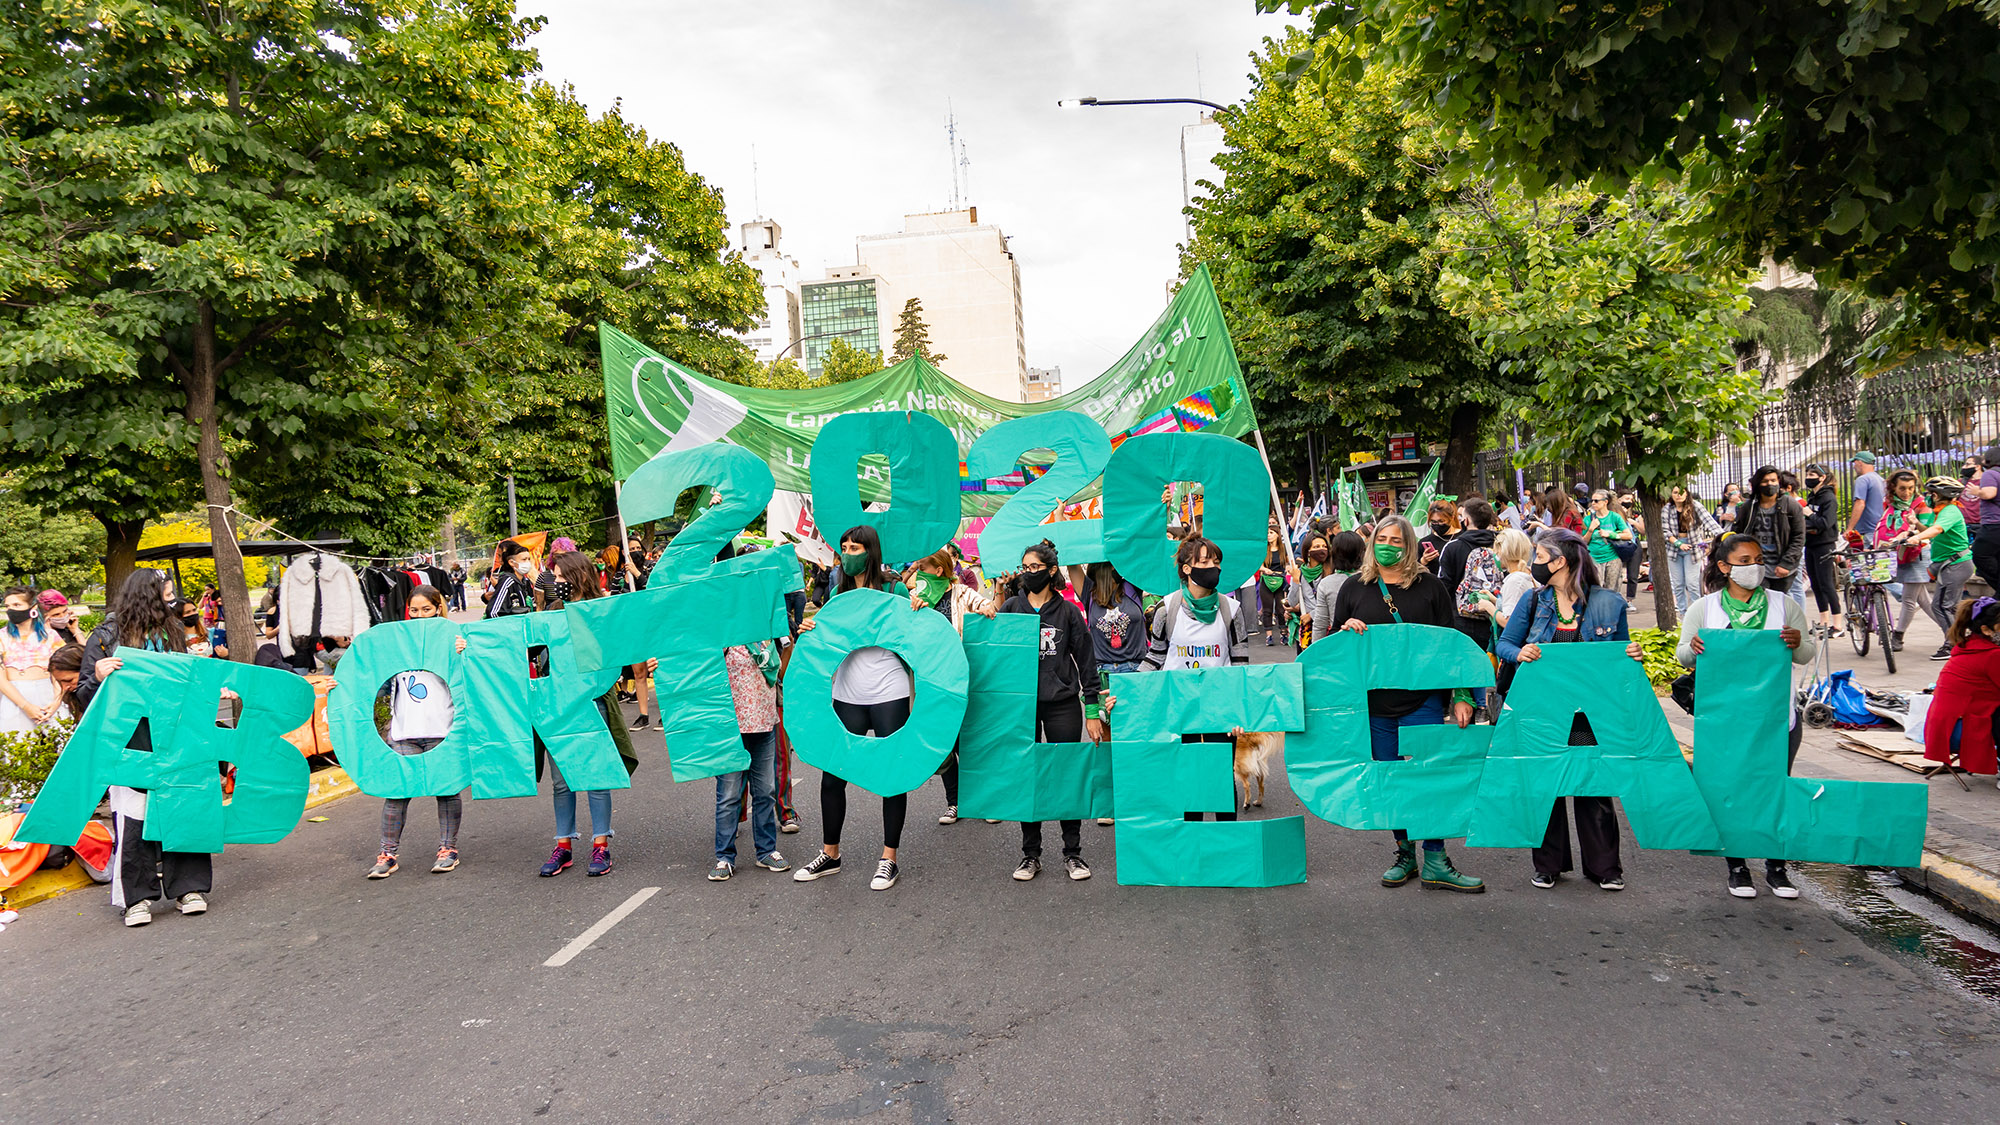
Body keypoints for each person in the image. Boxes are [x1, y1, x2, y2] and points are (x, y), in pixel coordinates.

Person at [1329, 515, 1484, 892]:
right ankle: (1405, 854)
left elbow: (1453, 645)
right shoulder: (1353, 588)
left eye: (1397, 541)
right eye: (1381, 539)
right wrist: (1345, 632)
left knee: (1427, 781)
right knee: (1392, 782)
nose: (1388, 546)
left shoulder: (1430, 588)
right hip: (1376, 707)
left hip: (1423, 702)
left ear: (1409, 546)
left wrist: (1463, 696)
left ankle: (1436, 858)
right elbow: (1333, 649)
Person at [1495, 529, 1645, 890]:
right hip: (1542, 711)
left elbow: (1620, 656)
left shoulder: (1608, 603)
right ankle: (1548, 865)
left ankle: (1605, 868)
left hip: (1588, 714)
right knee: (1545, 784)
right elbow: (1505, 644)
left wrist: (1632, 656)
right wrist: (1520, 654)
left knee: (1593, 784)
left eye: (1540, 557)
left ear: (1560, 561)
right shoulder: (1533, 602)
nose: (1535, 564)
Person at [1675, 532, 1817, 900]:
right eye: (1743, 561)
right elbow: (1683, 657)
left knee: (1775, 790)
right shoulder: (1704, 609)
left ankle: (1776, 866)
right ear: (1724, 567)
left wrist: (1797, 642)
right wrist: (1694, 647)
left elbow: (1806, 655)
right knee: (1729, 790)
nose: (1753, 567)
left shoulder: (1783, 605)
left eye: (1757, 559)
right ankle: (1737, 866)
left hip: (1776, 721)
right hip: (1725, 722)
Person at [74, 570, 209, 927]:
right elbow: (84, 694)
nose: (171, 602)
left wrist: (212, 693)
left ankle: (188, 889)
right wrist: (100, 675)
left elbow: (190, 680)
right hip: (130, 739)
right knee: (134, 817)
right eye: (165, 595)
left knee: (181, 809)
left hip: (175, 734)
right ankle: (137, 898)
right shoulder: (106, 636)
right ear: (146, 597)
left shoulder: (173, 631)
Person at [793, 526, 915, 892]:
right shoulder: (837, 593)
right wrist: (810, 628)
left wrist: (918, 610)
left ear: (870, 551)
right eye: (844, 547)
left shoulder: (895, 589)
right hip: (847, 692)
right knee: (833, 774)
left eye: (855, 547)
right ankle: (831, 853)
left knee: (891, 773)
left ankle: (888, 858)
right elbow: (828, 641)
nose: (848, 552)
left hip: (889, 689)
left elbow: (914, 636)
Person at [999, 541, 1107, 882]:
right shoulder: (1012, 608)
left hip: (1062, 703)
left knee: (1065, 775)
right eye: (1024, 567)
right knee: (1028, 776)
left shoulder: (1069, 613)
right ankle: (1030, 854)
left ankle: (1073, 853)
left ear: (1049, 570)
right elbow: (994, 655)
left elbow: (1088, 664)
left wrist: (1093, 712)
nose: (1028, 573)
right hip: (1021, 706)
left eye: (1034, 567)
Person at [536, 551, 637, 879]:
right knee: (562, 782)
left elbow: (618, 653)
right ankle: (563, 845)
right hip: (558, 707)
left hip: (592, 703)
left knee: (596, 776)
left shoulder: (601, 611)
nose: (557, 584)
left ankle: (600, 845)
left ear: (578, 577)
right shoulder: (552, 611)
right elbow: (530, 648)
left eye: (562, 578)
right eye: (555, 578)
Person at [1143, 535, 1250, 821]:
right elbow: (1155, 657)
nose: (1212, 566)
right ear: (1186, 568)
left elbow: (1239, 666)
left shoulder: (1231, 610)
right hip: (1180, 706)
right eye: (1204, 561)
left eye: (1216, 561)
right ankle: (1193, 845)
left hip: (1220, 707)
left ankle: (1225, 845)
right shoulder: (1167, 609)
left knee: (1220, 776)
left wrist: (1238, 712)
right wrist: (1128, 691)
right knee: (1188, 775)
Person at [365, 585, 468, 879]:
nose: (420, 615)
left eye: (427, 609)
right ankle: (387, 854)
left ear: (438, 608)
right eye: (414, 610)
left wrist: (464, 651)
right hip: (404, 732)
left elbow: (469, 678)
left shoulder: (452, 640)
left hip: (442, 730)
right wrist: (343, 687)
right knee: (397, 793)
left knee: (446, 790)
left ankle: (448, 849)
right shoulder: (397, 645)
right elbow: (377, 683)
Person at [906, 547, 996, 825]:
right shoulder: (917, 598)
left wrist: (987, 607)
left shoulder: (960, 593)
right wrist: (917, 608)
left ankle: (982, 802)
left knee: (969, 741)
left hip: (959, 677)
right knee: (944, 743)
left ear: (939, 571)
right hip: (931, 681)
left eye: (923, 567)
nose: (918, 572)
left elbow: (985, 605)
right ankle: (954, 802)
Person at [707, 629, 790, 881]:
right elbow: (695, 666)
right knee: (729, 795)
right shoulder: (720, 635)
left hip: (764, 723)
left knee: (765, 791)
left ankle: (766, 851)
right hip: (730, 728)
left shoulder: (765, 631)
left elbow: (781, 664)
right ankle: (724, 857)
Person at [1922, 598, 2000, 782]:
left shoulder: (1967, 645)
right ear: (1986, 630)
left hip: (1945, 728)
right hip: (1962, 731)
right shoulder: (1991, 655)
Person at [1902, 476, 1976, 661]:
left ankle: (1954, 645)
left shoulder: (1950, 511)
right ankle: (1958, 641)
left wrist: (1916, 538)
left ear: (1937, 495)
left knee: (1944, 606)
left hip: (1956, 564)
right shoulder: (1943, 511)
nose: (1927, 497)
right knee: (1944, 606)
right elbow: (1931, 530)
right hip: (1951, 564)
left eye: (1930, 494)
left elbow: (1936, 531)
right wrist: (1916, 525)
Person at [1437, 498, 1500, 658]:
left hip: (1462, 619)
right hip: (1497, 618)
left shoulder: (1453, 547)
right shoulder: (1502, 544)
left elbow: (1443, 588)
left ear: (1465, 520)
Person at [1878, 470, 1933, 654]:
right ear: (1893, 487)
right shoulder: (1890, 504)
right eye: (1902, 488)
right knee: (1924, 601)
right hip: (1902, 555)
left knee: (1909, 600)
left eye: (1910, 488)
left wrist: (1915, 524)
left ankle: (1898, 635)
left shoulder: (1921, 505)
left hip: (1917, 554)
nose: (1907, 493)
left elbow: (1928, 530)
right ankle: (1952, 632)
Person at [1, 586, 63, 733]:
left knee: (62, 743)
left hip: (48, 695)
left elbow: (60, 671)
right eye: (7, 606)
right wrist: (26, 706)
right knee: (18, 749)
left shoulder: (51, 635)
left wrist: (57, 701)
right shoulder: (2, 637)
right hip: (15, 698)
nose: (11, 610)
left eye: (17, 605)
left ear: (32, 608)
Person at [1742, 466, 1806, 595]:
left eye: (1773, 480)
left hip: (1782, 566)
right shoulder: (1749, 507)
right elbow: (1739, 533)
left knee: (1780, 604)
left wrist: (1786, 563)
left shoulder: (1790, 505)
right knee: (1762, 603)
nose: (1769, 484)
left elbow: (1799, 537)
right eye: (1765, 481)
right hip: (1757, 566)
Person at [1659, 486, 1723, 614]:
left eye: (1681, 492)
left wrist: (1723, 535)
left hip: (1693, 548)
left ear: (1687, 493)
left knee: (1692, 583)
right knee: (1678, 584)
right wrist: (1677, 543)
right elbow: (1665, 531)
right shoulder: (1667, 509)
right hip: (1674, 549)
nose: (1679, 495)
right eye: (1675, 492)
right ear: (1671, 495)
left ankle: (1697, 612)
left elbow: (1709, 522)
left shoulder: (1696, 506)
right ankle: (1683, 612)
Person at [1799, 464, 1844, 637]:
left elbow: (1826, 523)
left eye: (1812, 474)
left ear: (1822, 477)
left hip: (1824, 544)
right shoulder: (1812, 496)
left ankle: (1838, 625)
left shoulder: (1829, 498)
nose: (1808, 477)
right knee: (1816, 584)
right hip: (1810, 544)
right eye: (1807, 474)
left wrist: (1809, 514)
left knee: (1826, 583)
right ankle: (1824, 621)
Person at [1310, 531, 1367, 642]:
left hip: (1340, 642)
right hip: (1368, 642)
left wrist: (1316, 653)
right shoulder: (1372, 579)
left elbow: (1320, 624)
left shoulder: (1326, 583)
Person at [1286, 531, 1332, 649]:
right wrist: (1296, 581)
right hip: (1307, 628)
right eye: (1316, 547)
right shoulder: (1300, 572)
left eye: (1324, 546)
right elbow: (1291, 601)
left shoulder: (1332, 572)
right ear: (1308, 552)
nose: (1321, 550)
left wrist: (1311, 615)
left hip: (1327, 626)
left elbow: (1331, 604)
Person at [1582, 491, 1633, 594]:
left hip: (1612, 557)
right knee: (1596, 589)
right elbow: (1583, 541)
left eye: (1596, 501)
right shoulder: (1588, 519)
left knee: (1612, 590)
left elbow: (1628, 535)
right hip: (1594, 558)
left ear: (1605, 502)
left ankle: (1611, 609)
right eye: (1592, 501)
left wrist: (1611, 534)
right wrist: (1591, 530)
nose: (1593, 503)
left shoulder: (1615, 517)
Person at [1969, 451, 2000, 597]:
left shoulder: (1990, 474)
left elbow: (1989, 493)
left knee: (1980, 555)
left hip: (1993, 524)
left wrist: (1977, 491)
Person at [485, 539, 536, 618]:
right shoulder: (507, 580)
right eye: (524, 559)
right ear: (511, 562)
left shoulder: (524, 581)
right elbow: (493, 612)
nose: (527, 563)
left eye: (529, 559)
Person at [1254, 524, 1287, 645]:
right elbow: (1258, 564)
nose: (1269, 535)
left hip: (1280, 581)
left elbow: (1289, 563)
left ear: (1278, 535)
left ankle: (1284, 633)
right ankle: (1269, 636)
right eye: (1267, 533)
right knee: (1267, 610)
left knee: (1281, 609)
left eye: (1272, 533)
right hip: (1266, 581)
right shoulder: (1264, 549)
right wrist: (1264, 569)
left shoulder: (1283, 549)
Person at [1846, 451, 1887, 545]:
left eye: (1854, 463)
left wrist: (1850, 529)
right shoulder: (1880, 479)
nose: (1854, 466)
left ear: (1860, 462)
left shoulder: (1863, 479)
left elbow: (1860, 503)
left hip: (1868, 531)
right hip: (1879, 528)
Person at [1417, 499, 1458, 574]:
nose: (1437, 524)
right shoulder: (1424, 542)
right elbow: (1413, 569)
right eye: (1433, 522)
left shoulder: (1462, 537)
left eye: (1441, 521)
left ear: (1452, 518)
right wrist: (1423, 561)